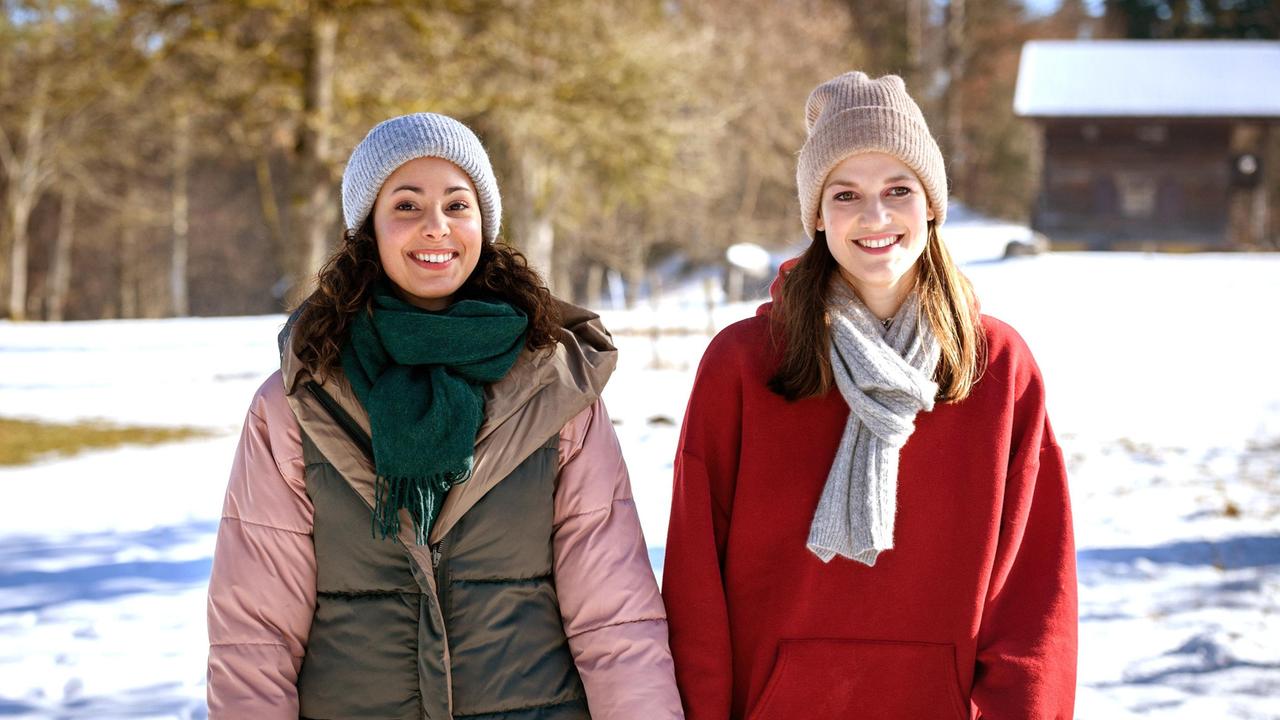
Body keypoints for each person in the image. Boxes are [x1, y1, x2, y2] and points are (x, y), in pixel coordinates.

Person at [206, 112, 682, 719]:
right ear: (368, 231)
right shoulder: (297, 402)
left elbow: (615, 616)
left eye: (458, 205)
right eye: (407, 206)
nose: (437, 227)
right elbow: (255, 635)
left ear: (483, 223)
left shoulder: (554, 392)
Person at [661, 72, 1077, 719]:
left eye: (898, 190)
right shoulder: (742, 364)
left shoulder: (996, 367)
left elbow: (1033, 598)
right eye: (846, 193)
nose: (876, 216)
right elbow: (695, 588)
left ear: (932, 205)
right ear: (817, 214)